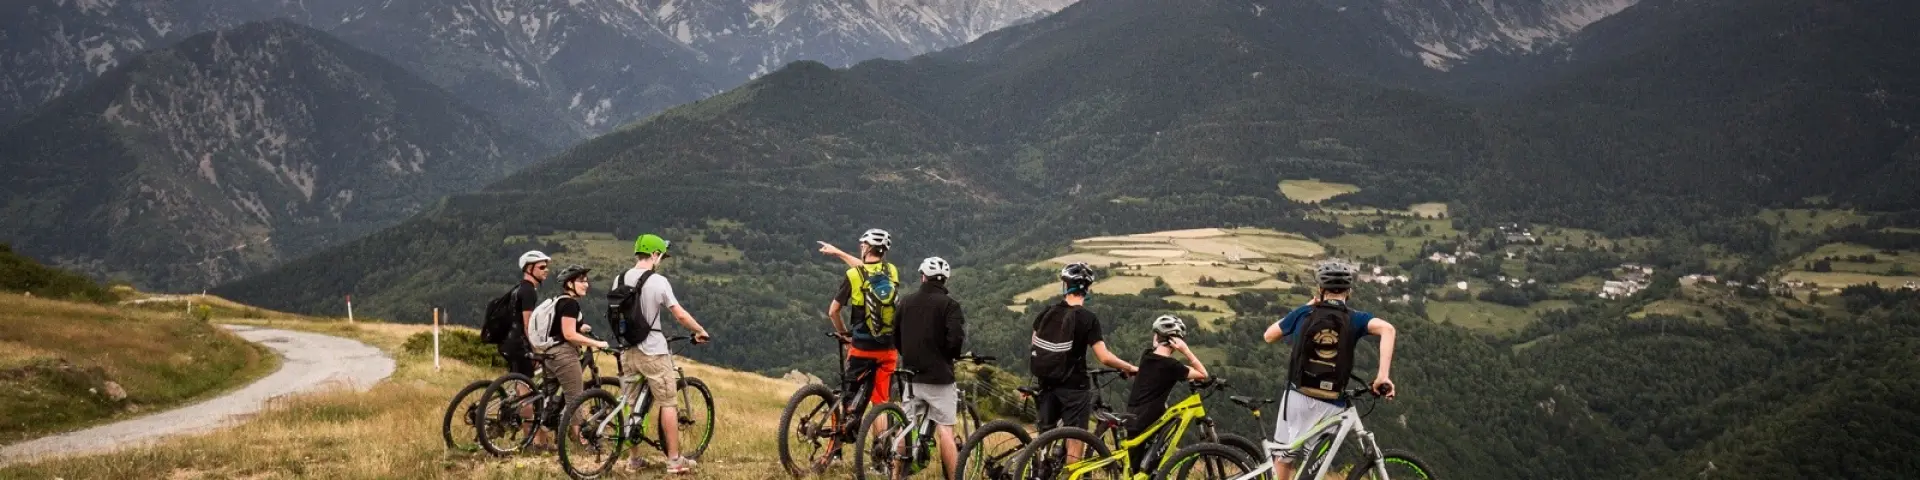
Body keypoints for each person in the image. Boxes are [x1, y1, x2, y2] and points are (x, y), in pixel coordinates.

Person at [1263, 259, 1398, 480]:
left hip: (1297, 395)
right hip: (1331, 402)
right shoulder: (1355, 318)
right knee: (1313, 467)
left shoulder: (1304, 313)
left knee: (1284, 457)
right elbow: (1388, 329)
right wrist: (1382, 376)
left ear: (1320, 289)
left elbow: (1269, 336)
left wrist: (1306, 307)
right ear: (1349, 291)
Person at [617, 234, 713, 474]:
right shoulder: (657, 280)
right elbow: (679, 314)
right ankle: (674, 460)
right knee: (668, 403)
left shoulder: (619, 279)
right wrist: (699, 330)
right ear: (654, 254)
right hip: (652, 352)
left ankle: (634, 460)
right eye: (661, 255)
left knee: (632, 404)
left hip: (627, 351)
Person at [1028, 262, 1139, 439]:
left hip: (1046, 383)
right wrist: (1130, 367)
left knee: (1044, 438)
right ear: (1086, 290)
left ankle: (1038, 464)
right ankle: (1071, 466)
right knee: (1075, 438)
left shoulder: (1047, 312)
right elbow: (1104, 357)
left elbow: (1035, 342)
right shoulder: (1088, 319)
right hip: (1074, 388)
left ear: (1065, 286)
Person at [892, 257, 966, 479]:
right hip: (939, 378)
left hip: (911, 376)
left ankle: (896, 476)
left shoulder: (905, 302)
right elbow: (955, 342)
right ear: (944, 281)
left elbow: (896, 338)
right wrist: (948, 356)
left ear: (923, 277)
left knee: (905, 428)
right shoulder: (950, 305)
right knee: (945, 430)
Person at [817, 228, 903, 419]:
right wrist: (839, 253)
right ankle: (879, 446)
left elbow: (833, 312)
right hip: (887, 348)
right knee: (880, 403)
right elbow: (870, 271)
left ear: (866, 247)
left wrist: (845, 335)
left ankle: (836, 445)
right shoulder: (892, 272)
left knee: (849, 398)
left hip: (861, 346)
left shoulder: (853, 276)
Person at [531, 265, 611, 451]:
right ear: (569, 283)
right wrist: (596, 344)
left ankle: (539, 442)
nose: (586, 284)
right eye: (581, 280)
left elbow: (560, 327)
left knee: (550, 398)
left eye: (586, 280)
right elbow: (568, 335)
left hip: (549, 352)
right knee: (575, 396)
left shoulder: (560, 301)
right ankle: (580, 440)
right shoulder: (571, 304)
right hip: (564, 354)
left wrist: (580, 327)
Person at [1122, 315, 1209, 473]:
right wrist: (1186, 351)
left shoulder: (1146, 355)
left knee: (1136, 466)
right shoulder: (1172, 366)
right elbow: (1203, 374)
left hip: (1133, 414)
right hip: (1149, 417)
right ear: (1175, 342)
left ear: (1156, 337)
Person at [502, 250, 550, 378]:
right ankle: (523, 397)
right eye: (542, 267)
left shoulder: (518, 288)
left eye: (546, 267)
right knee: (526, 384)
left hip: (508, 342)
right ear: (529, 268)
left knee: (520, 379)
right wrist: (535, 349)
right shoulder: (529, 291)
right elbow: (527, 324)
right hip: (519, 344)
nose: (546, 270)